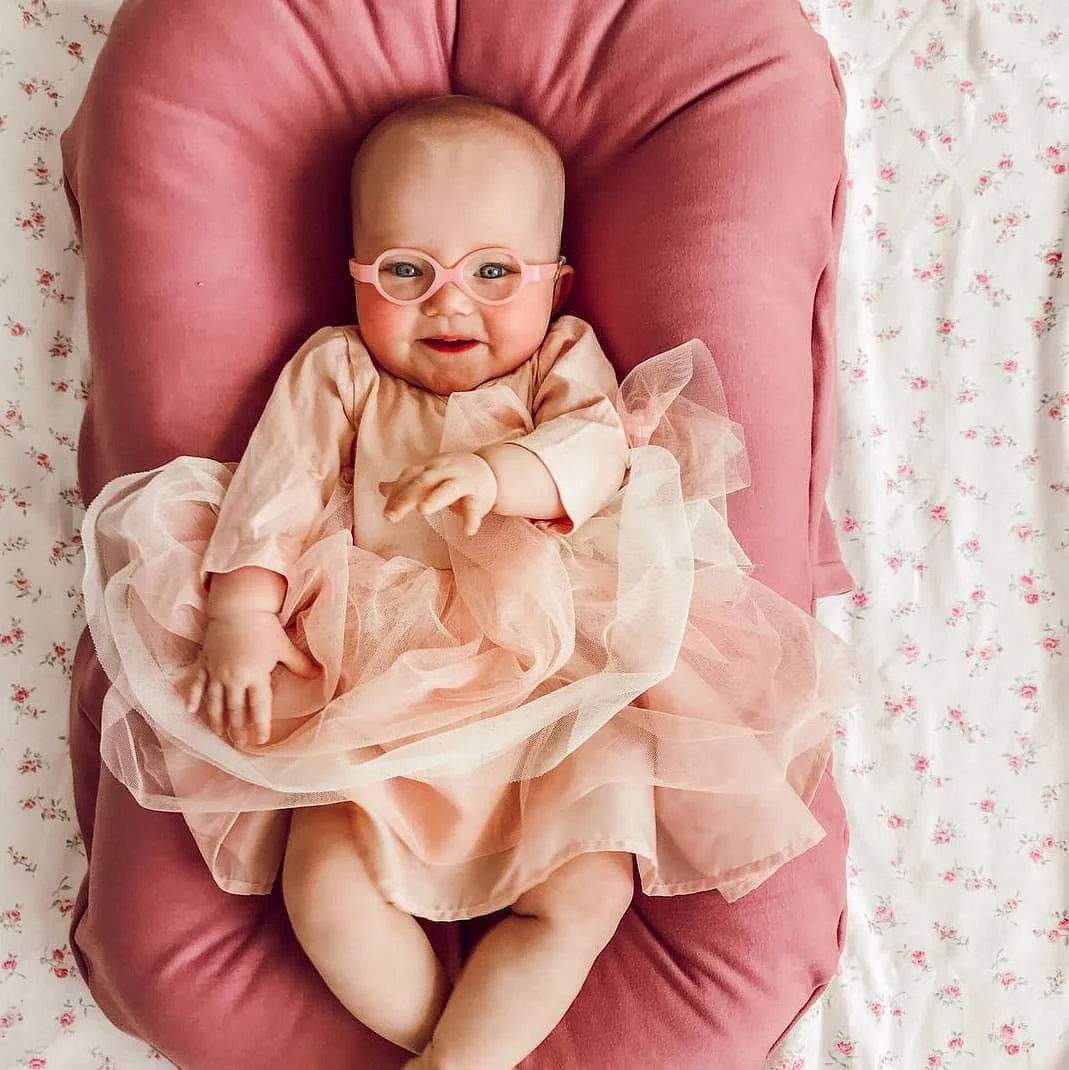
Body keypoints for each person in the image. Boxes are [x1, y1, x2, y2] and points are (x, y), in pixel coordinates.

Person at [81, 96, 852, 1070]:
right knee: (320, 880)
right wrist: (241, 601)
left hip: (551, 680)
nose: (450, 304)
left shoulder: (560, 360)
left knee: (585, 890)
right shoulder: (339, 371)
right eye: (406, 272)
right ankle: (452, 1046)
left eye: (494, 272)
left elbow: (597, 449)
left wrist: (500, 474)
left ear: (556, 279)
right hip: (375, 685)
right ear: (354, 275)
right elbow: (276, 485)